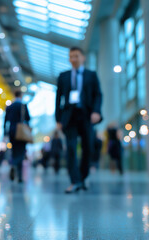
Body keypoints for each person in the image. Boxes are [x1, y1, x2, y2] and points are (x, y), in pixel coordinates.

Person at [55, 46, 103, 194]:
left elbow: (98, 95)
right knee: (70, 147)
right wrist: (58, 119)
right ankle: (75, 181)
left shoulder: (91, 75)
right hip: (69, 117)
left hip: (87, 116)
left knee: (88, 147)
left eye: (76, 56)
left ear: (83, 57)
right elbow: (58, 99)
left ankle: (82, 178)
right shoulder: (63, 76)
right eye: (71, 57)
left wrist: (96, 111)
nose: (73, 59)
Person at [4, 90, 31, 183]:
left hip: (12, 131)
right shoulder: (23, 106)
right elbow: (28, 118)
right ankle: (19, 174)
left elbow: (5, 121)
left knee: (14, 152)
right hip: (21, 132)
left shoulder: (10, 107)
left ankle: (14, 166)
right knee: (21, 153)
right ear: (21, 96)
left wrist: (5, 134)